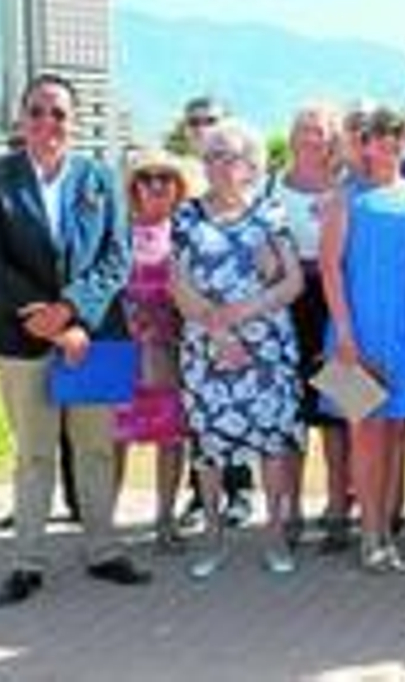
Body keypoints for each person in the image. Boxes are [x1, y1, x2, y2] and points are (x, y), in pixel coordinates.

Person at [0, 73, 151, 607]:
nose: (48, 123)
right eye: (38, 111)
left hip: (94, 335)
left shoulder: (99, 178)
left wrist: (72, 312)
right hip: (19, 333)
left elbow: (117, 256)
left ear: (75, 122)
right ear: (21, 118)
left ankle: (102, 551)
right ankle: (27, 560)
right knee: (34, 453)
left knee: (95, 449)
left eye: (59, 114)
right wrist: (39, 313)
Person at [171, 120, 307, 580]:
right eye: (211, 157)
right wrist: (218, 330)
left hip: (265, 346)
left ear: (250, 165)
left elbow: (293, 281)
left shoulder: (270, 213)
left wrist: (247, 311)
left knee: (271, 444)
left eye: (229, 156)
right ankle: (212, 537)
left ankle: (273, 536)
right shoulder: (187, 216)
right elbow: (179, 285)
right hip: (207, 347)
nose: (219, 166)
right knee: (208, 448)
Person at [320, 106, 405, 572]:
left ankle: (387, 528)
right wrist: (345, 333)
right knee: (363, 435)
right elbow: (330, 268)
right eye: (379, 136)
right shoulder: (343, 199)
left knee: (397, 432)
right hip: (353, 335)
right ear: (363, 144)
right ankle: (369, 535)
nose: (389, 144)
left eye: (398, 137)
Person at [173, 94, 255, 530]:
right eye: (195, 121)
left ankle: (240, 490)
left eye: (212, 120)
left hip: (245, 316)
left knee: (241, 400)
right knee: (199, 408)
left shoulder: (247, 184)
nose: (203, 126)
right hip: (194, 315)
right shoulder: (180, 181)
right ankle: (199, 495)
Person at [111, 150, 196, 554]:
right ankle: (103, 524)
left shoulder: (188, 233)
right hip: (120, 350)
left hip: (169, 348)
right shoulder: (115, 232)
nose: (158, 184)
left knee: (171, 438)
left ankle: (165, 521)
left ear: (179, 188)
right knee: (114, 439)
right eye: (148, 177)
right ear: (134, 187)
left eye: (167, 177)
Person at [279, 104, 355, 552]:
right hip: (287, 309)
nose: (313, 139)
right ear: (293, 137)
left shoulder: (345, 189)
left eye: (322, 132)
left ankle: (338, 509)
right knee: (291, 415)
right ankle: (290, 510)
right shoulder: (271, 188)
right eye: (305, 130)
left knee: (338, 415)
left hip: (334, 307)